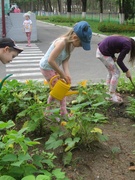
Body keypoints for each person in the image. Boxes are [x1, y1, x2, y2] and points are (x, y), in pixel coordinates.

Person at [40, 21, 92, 119]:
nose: (80, 46)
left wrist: (67, 75)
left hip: (53, 67)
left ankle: (49, 111)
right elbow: (50, 60)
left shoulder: (71, 45)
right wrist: (62, 75)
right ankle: (63, 113)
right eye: (81, 44)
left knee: (56, 90)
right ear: (75, 37)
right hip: (47, 67)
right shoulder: (61, 43)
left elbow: (65, 61)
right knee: (61, 90)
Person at [96, 35, 135, 103]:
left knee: (111, 72)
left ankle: (108, 92)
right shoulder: (128, 45)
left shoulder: (126, 40)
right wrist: (127, 71)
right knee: (116, 73)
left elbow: (111, 45)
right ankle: (112, 95)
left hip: (101, 50)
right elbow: (119, 61)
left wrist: (113, 56)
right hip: (103, 53)